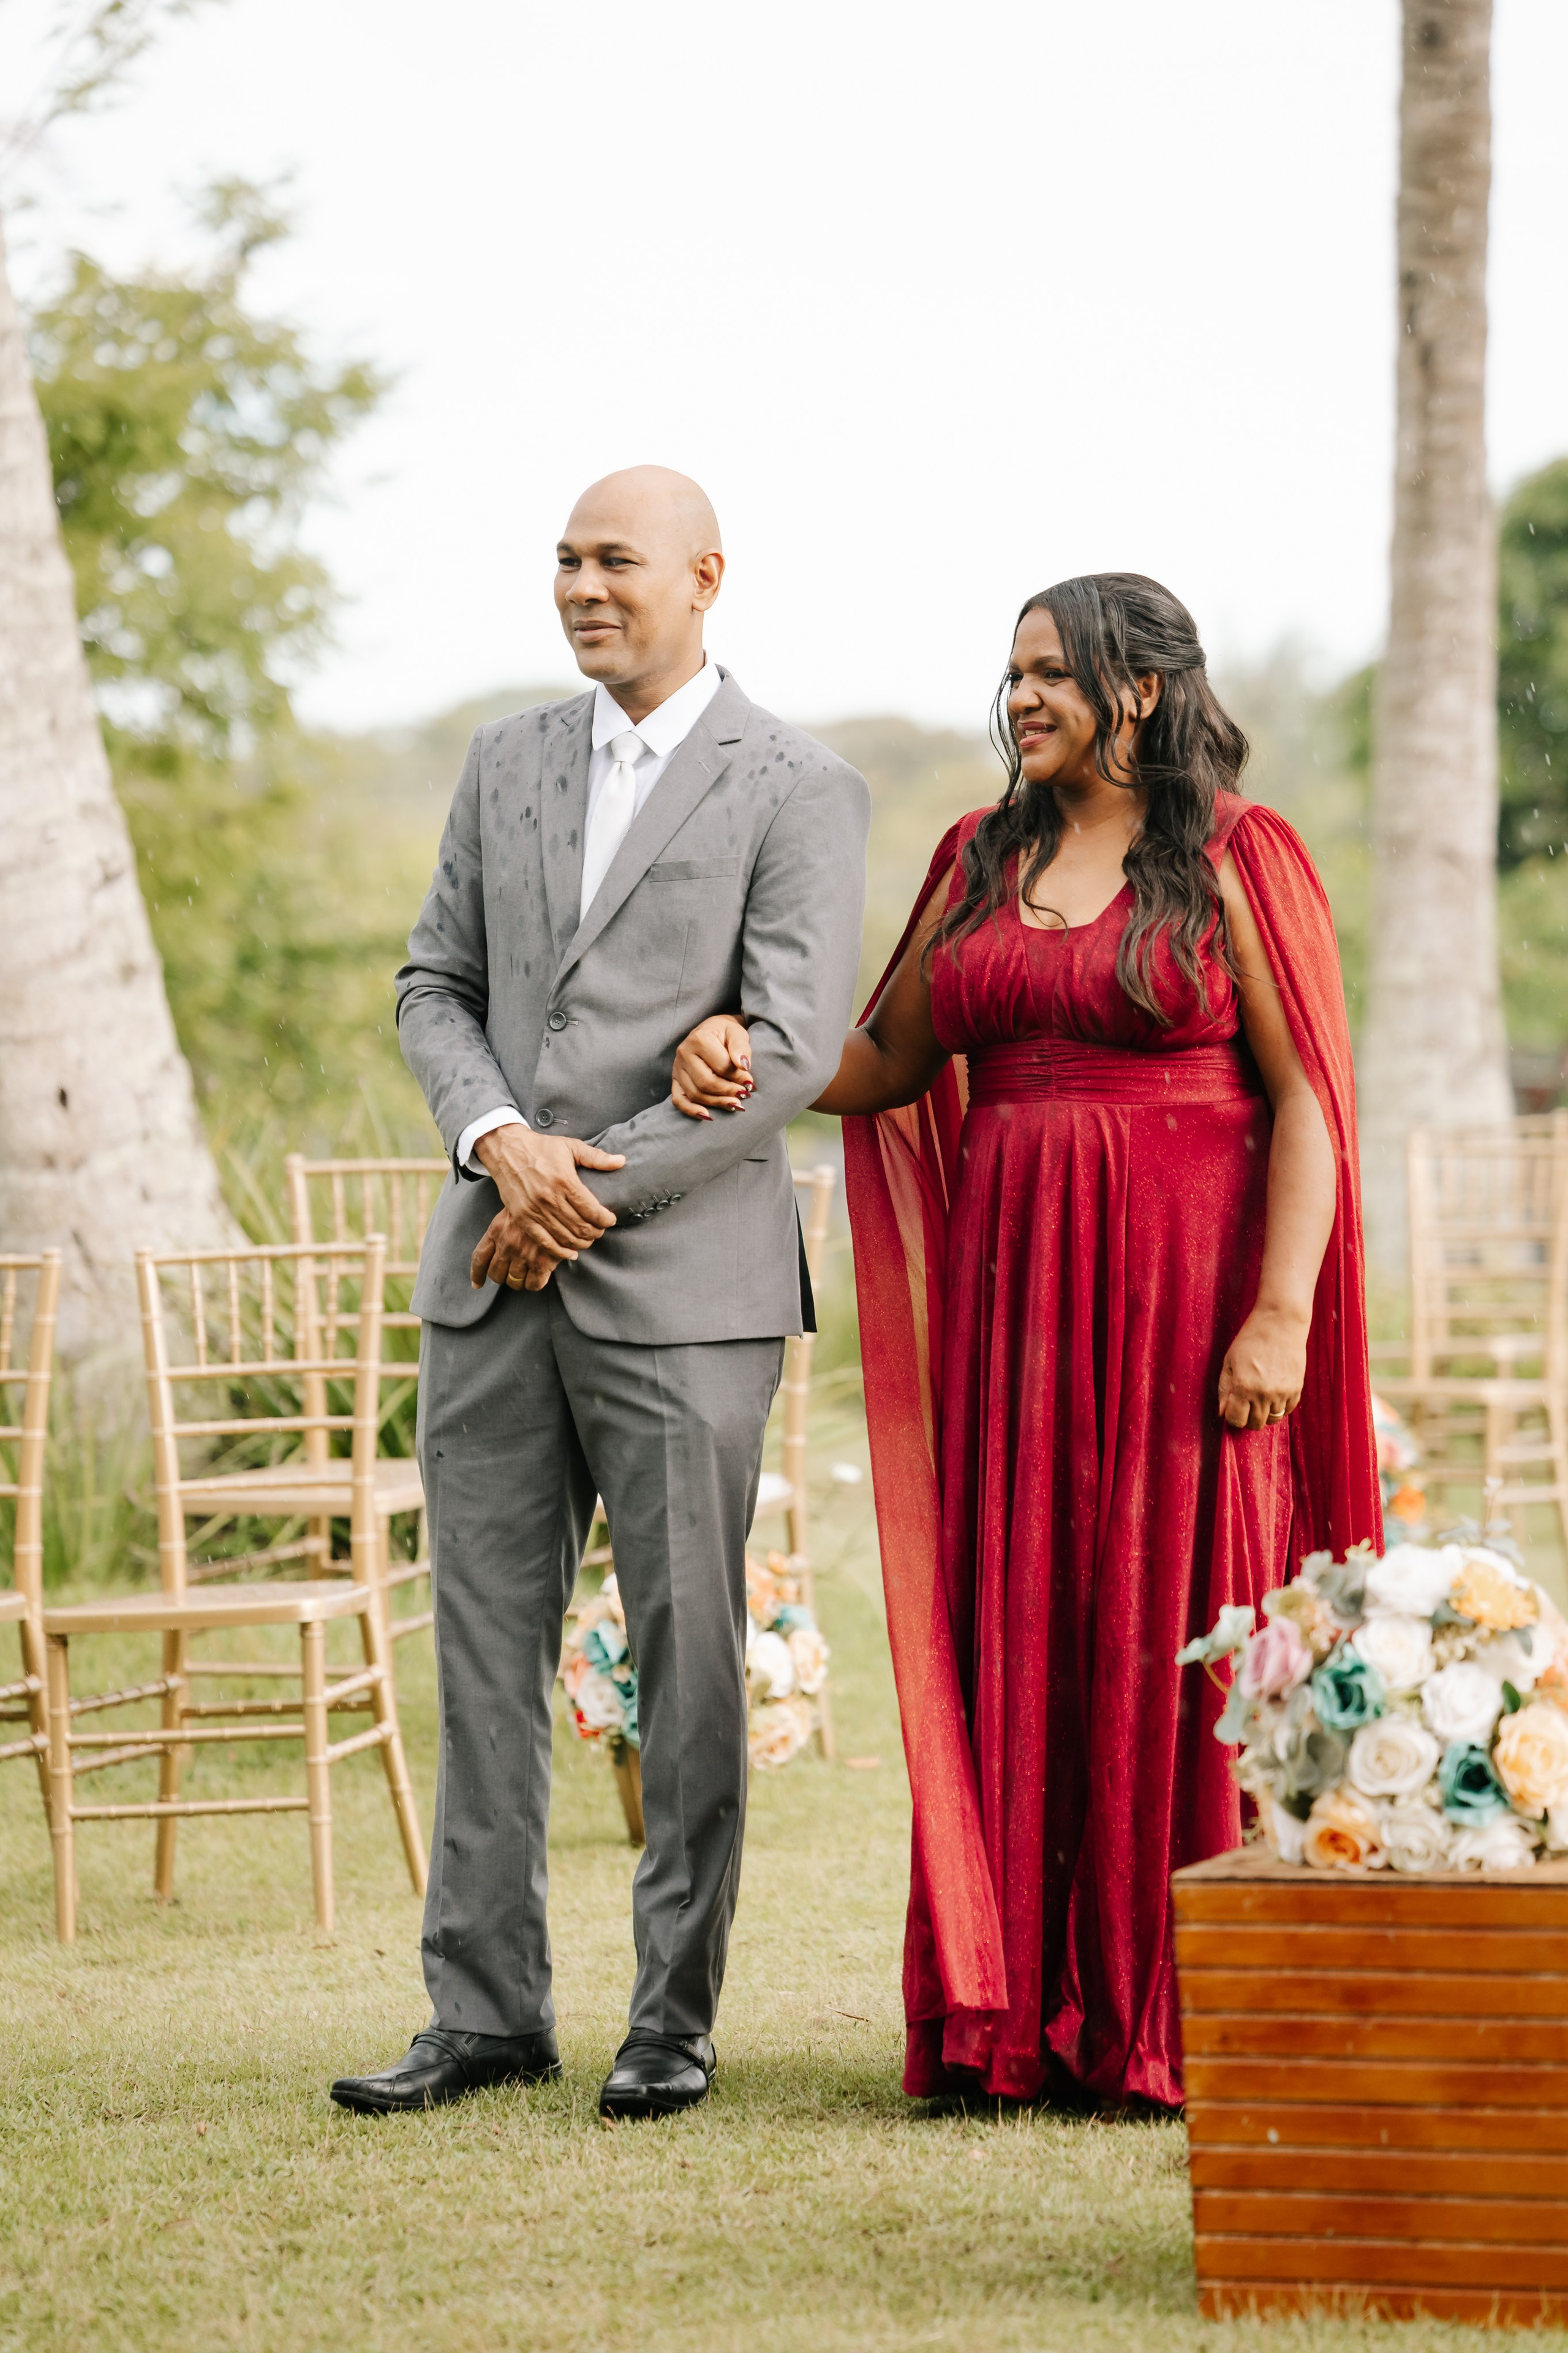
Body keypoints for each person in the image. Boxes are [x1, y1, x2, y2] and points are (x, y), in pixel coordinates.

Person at [671, 573, 1381, 2110]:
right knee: (1028, 1619)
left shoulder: (1240, 857)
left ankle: (1171, 2015)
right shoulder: (978, 858)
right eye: (1012, 676)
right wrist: (751, 1048)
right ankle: (1022, 2014)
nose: (1021, 700)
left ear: (1138, 689)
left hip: (1187, 1306)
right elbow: (884, 1060)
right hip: (1016, 1321)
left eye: (1050, 673)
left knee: (1168, 1620)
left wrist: (1279, 1311)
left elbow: (1308, 1099)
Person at [330, 466, 869, 2120]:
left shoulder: (799, 784)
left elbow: (782, 1049)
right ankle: (484, 2011)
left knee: (689, 1658)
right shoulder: (506, 760)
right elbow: (438, 980)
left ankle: (671, 2022)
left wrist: (575, 1191)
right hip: (491, 1269)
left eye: (612, 560)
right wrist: (502, 1141)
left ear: (706, 576)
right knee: (484, 1652)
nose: (579, 586)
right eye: (562, 559)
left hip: (683, 1288)